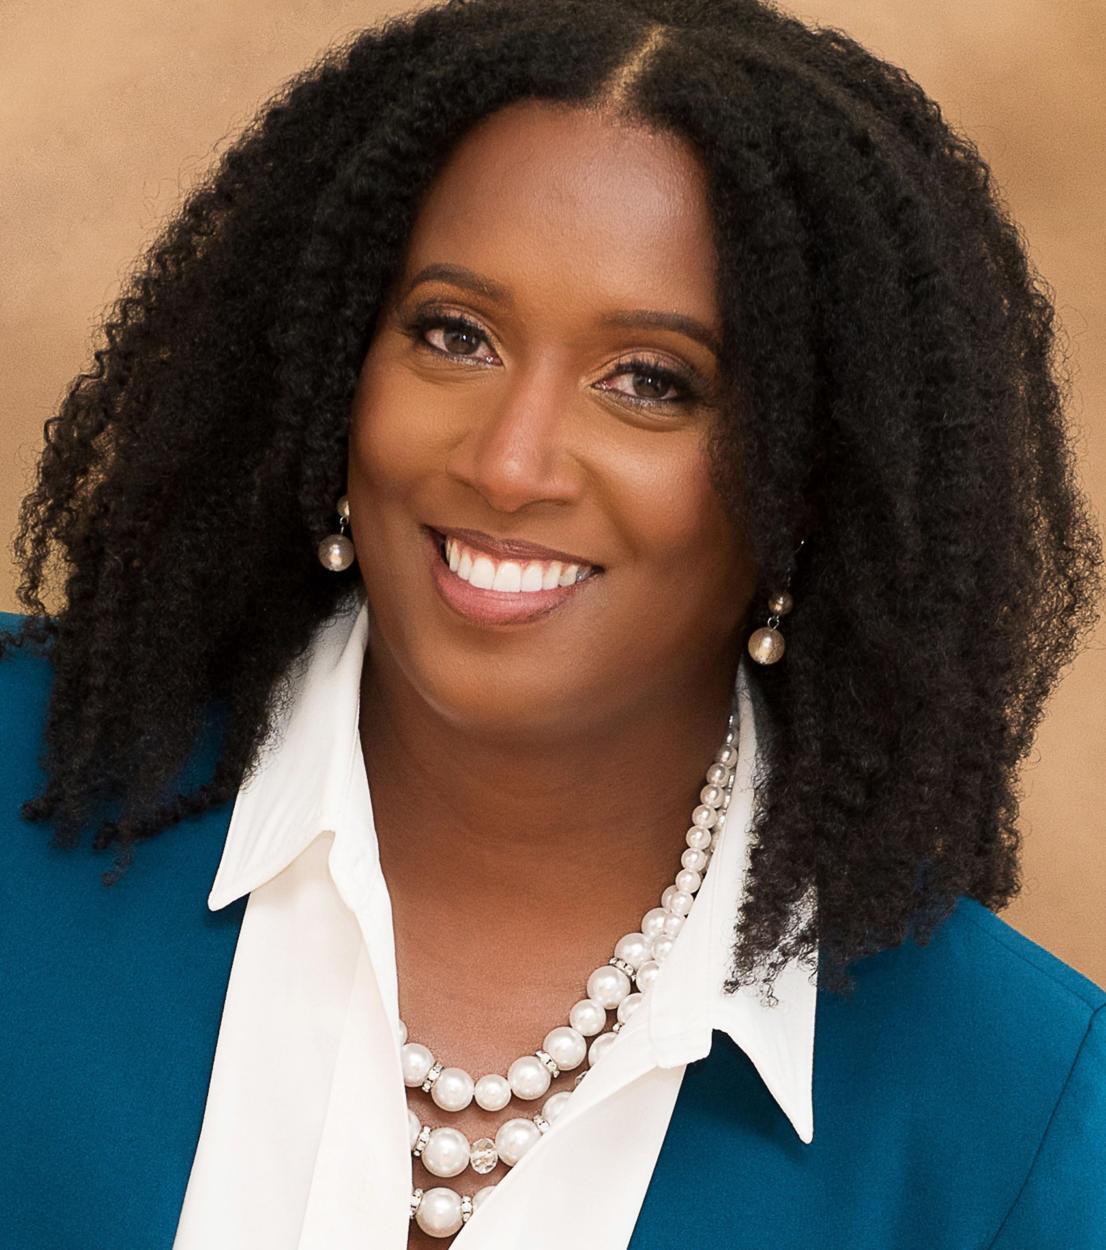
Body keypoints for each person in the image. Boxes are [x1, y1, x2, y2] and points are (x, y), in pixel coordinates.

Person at [1, 0, 1103, 1246]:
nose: (509, 462)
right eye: (454, 335)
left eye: (649, 382)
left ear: (809, 483)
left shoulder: (1013, 1121)